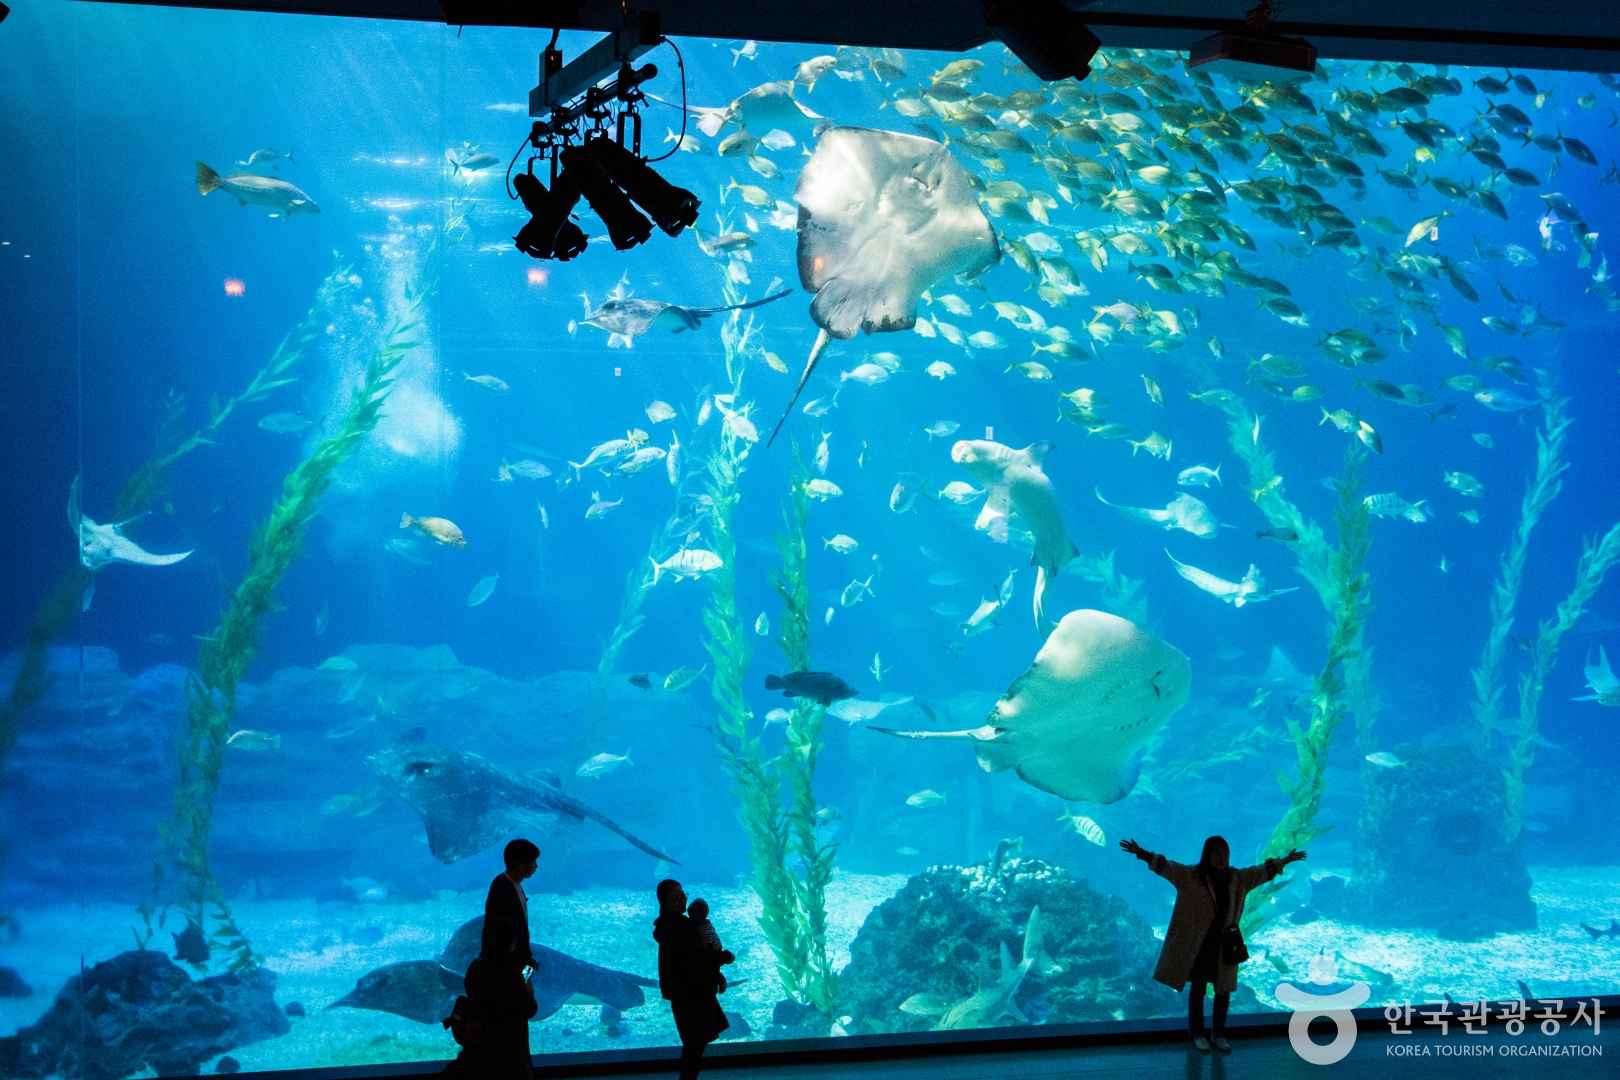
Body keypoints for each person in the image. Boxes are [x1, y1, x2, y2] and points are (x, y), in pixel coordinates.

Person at [1120, 835, 1306, 1053]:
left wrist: (1286, 860)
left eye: (1224, 853)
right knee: (1198, 989)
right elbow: (1167, 867)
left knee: (1223, 990)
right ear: (1207, 855)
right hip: (1199, 944)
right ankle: (1197, 1033)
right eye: (1216, 853)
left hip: (1226, 944)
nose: (1220, 857)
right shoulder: (1191, 876)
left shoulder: (1237, 878)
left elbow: (1262, 872)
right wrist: (1141, 853)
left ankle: (1218, 1034)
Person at [470, 839, 540, 1077]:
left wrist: (528, 969)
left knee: (520, 1019)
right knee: (514, 1020)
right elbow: (505, 940)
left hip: (516, 967)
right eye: (532, 862)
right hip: (506, 973)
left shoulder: (515, 886)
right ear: (520, 864)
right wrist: (524, 975)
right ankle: (517, 1071)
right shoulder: (502, 887)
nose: (535, 867)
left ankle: (521, 1068)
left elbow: (519, 939)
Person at [654, 879, 728, 1080]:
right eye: (675, 896)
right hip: (691, 993)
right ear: (665, 901)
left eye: (682, 894)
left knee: (694, 1044)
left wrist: (716, 972)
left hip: (690, 991)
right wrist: (721, 960)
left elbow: (696, 958)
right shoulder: (679, 927)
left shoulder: (672, 924)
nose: (682, 898)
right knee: (694, 1044)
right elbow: (696, 959)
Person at [685, 897, 736, 992]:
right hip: (716, 949)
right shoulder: (707, 923)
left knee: (712, 970)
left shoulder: (694, 925)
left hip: (710, 951)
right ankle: (725, 965)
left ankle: (721, 981)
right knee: (715, 968)